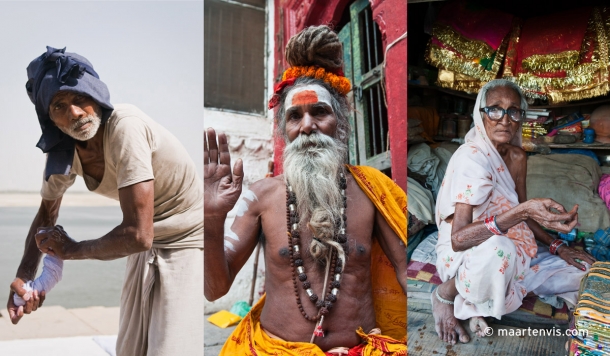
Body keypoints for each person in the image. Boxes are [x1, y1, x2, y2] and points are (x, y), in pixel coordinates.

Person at [204, 25, 407, 355]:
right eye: (295, 116)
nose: (308, 125)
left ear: (340, 122)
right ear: (285, 131)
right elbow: (214, 289)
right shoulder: (261, 196)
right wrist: (211, 219)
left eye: (320, 112)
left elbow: (403, 271)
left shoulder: (372, 191)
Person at [7, 46, 203, 356]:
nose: (75, 113)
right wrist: (24, 276)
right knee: (132, 350)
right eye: (59, 105)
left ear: (96, 95)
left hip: (187, 239)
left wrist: (71, 250)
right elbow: (47, 213)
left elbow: (138, 234)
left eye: (80, 97)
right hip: (145, 243)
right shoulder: (63, 153)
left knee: (171, 349)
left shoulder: (125, 127)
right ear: (50, 119)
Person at [432, 79, 596, 344]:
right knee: (499, 250)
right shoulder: (470, 157)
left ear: (521, 117)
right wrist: (521, 212)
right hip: (473, 252)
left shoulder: (518, 157)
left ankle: (478, 303)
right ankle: (445, 294)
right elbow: (458, 239)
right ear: (480, 114)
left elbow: (521, 212)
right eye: (495, 109)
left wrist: (557, 246)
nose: (505, 119)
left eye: (513, 111)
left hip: (517, 248)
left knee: (588, 271)